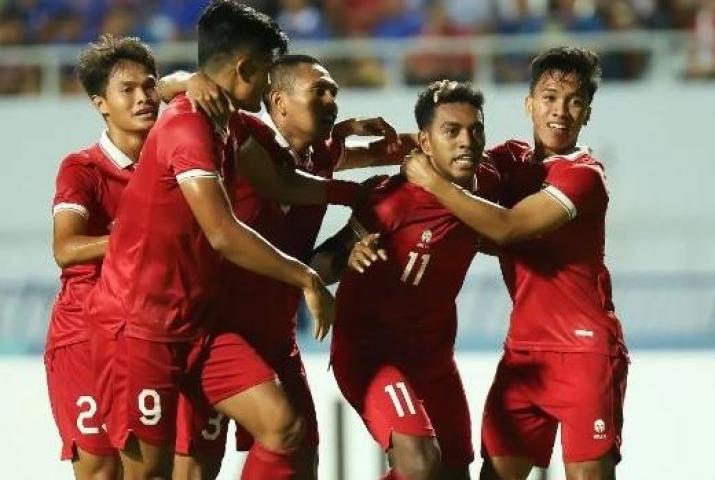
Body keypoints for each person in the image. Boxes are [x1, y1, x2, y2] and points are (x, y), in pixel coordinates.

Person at [83, 3, 341, 479]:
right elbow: (223, 233)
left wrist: (353, 189)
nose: (269, 89)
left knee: (284, 425)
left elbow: (281, 178)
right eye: (265, 75)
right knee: (151, 473)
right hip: (140, 327)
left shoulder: (226, 123)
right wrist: (306, 276)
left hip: (198, 325)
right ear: (244, 68)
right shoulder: (187, 126)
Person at [164, 53, 413, 479]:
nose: (333, 99)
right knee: (196, 466)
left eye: (334, 90)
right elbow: (159, 87)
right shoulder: (239, 142)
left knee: (301, 456)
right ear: (278, 102)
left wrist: (429, 147)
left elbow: (311, 263)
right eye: (320, 90)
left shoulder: (323, 155)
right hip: (215, 331)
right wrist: (192, 80)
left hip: (276, 335)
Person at [401, 47, 629, 480]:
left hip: (584, 352)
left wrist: (429, 179)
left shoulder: (583, 176)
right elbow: (453, 152)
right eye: (549, 98)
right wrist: (368, 147)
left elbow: (506, 228)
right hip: (523, 352)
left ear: (588, 113)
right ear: (529, 103)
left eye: (574, 101)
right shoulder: (510, 159)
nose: (560, 111)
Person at [320, 80, 501, 480]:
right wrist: (348, 255)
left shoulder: (488, 184)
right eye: (450, 131)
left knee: (452, 474)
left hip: (434, 357)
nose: (466, 141)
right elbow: (322, 264)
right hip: (371, 354)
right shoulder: (391, 200)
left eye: (475, 130)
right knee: (418, 462)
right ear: (425, 141)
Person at [45, 34, 160, 480]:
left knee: (155, 470)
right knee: (101, 470)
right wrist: (137, 236)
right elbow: (66, 248)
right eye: (126, 90)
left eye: (149, 86)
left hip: (153, 332)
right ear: (101, 104)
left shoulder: (176, 161)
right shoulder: (82, 168)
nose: (143, 98)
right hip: (85, 333)